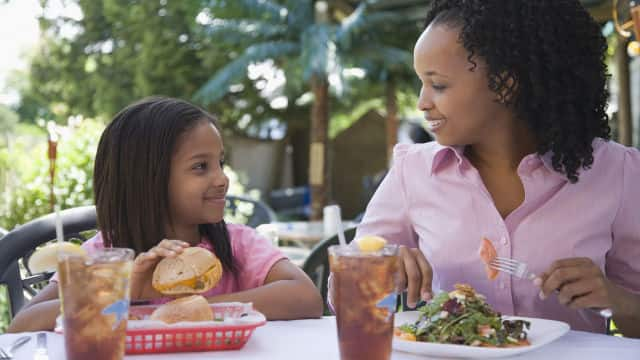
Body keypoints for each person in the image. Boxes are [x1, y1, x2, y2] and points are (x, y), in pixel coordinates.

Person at [355, 0, 640, 337]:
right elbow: (356, 305)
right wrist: (378, 276)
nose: (421, 102)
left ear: (505, 84)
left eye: (439, 85)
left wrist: (618, 300)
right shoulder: (412, 173)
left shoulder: (617, 173)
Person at [8, 97, 323, 332]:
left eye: (220, 163)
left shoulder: (237, 243)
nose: (222, 178)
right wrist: (121, 293)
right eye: (201, 166)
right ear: (148, 177)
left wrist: (189, 311)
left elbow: (306, 297)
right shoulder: (106, 258)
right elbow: (22, 324)